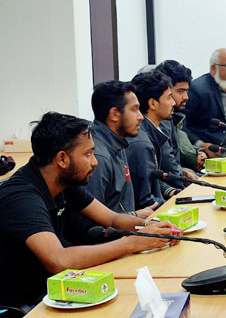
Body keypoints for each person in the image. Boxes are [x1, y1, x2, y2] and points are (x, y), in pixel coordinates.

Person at [0, 112, 178, 311]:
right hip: (24, 305)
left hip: (56, 292)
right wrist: (135, 241)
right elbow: (58, 260)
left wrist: (151, 226)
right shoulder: (21, 197)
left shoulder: (62, 181)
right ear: (62, 159)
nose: (95, 162)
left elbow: (112, 218)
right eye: (88, 154)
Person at [66, 81, 157, 245]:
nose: (141, 116)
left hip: (124, 234)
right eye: (134, 109)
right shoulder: (98, 157)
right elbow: (93, 227)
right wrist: (136, 220)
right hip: (109, 247)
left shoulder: (118, 142)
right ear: (114, 114)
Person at [127, 71, 179, 208]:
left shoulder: (149, 131)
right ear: (153, 103)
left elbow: (151, 180)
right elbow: (145, 201)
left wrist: (171, 192)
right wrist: (176, 205)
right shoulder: (142, 144)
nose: (173, 103)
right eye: (168, 98)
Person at [184, 48, 226, 153]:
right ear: (213, 68)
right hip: (215, 149)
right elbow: (184, 126)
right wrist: (201, 144)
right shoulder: (197, 89)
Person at [155, 60, 206, 173]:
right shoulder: (161, 120)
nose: (186, 97)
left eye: (187, 91)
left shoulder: (175, 115)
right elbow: (169, 165)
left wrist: (200, 153)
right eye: (180, 91)